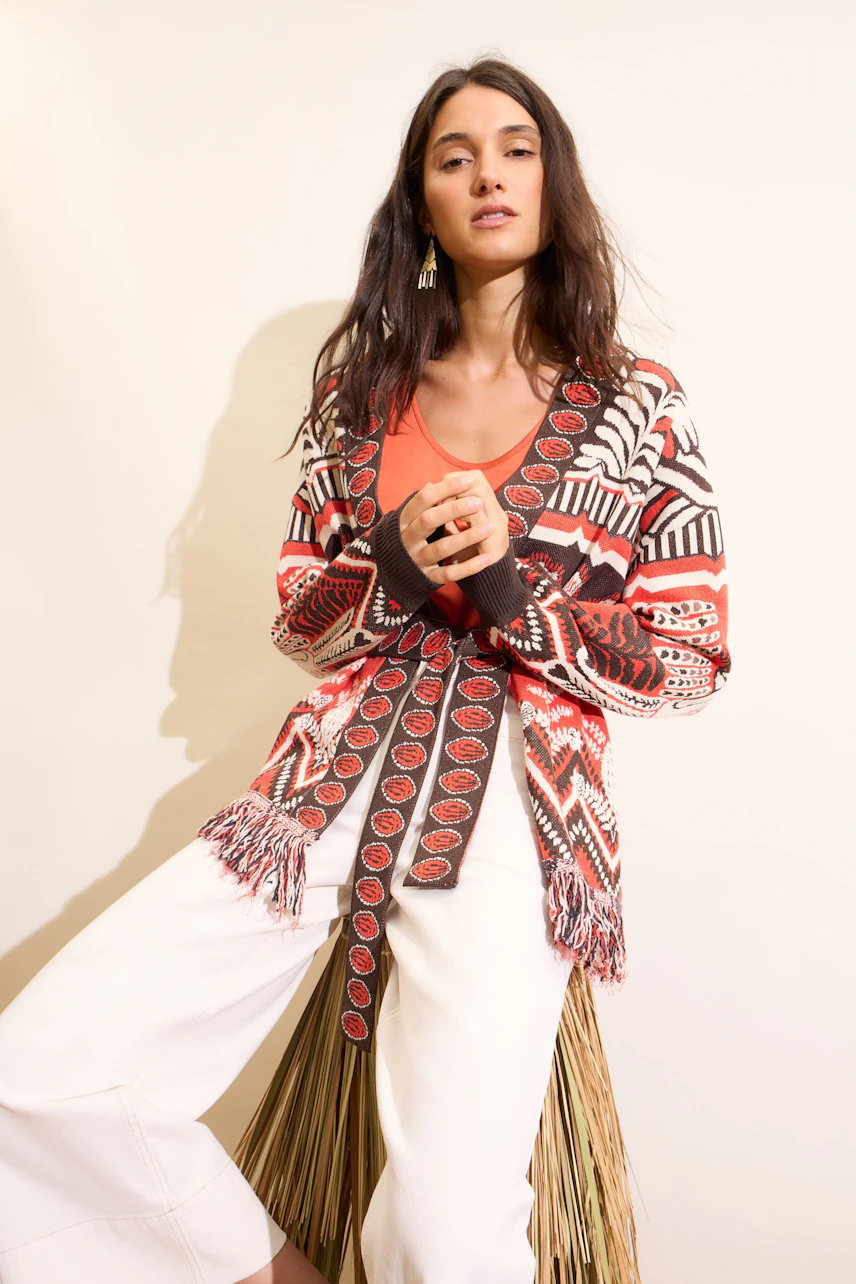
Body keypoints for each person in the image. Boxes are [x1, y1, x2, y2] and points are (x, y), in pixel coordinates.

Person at [0, 56, 731, 1284]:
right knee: (46, 1067)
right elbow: (301, 619)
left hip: (512, 809)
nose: (487, 172)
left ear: (555, 185)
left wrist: (509, 590)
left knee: (450, 1233)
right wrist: (390, 562)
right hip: (320, 785)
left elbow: (688, 657)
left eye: (515, 147)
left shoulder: (637, 405)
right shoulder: (361, 397)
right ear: (421, 204)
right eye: (454, 156)